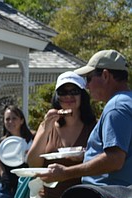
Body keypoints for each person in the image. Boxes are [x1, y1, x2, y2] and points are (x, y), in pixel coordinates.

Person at [40, 49, 132, 187]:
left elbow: (115, 159)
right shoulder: (127, 101)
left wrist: (66, 172)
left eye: (89, 78)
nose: (87, 86)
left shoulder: (115, 108)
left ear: (106, 75)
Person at [26, 71, 97, 198]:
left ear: (82, 96)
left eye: (74, 91)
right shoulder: (48, 125)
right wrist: (46, 128)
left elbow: (103, 163)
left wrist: (84, 157)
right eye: (63, 92)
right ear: (56, 97)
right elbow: (32, 163)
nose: (68, 96)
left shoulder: (94, 126)